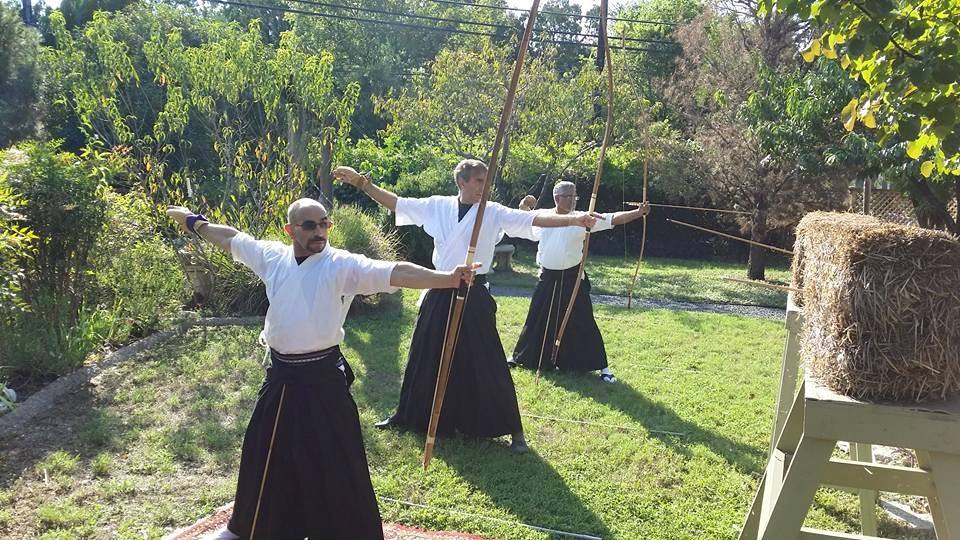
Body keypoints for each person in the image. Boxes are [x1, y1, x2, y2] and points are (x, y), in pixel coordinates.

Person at [167, 199, 478, 540]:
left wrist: (447, 279)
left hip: (323, 379)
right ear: (290, 230)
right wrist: (196, 223)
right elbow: (231, 238)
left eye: (324, 223)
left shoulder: (341, 265)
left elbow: (396, 271)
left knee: (337, 460)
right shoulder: (272, 257)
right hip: (282, 378)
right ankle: (246, 529)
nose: (319, 231)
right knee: (264, 452)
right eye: (310, 225)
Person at [332, 160, 599, 453]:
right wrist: (363, 184)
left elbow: (535, 220)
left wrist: (574, 219)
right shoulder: (438, 206)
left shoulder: (493, 211)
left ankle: (513, 429)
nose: (484, 187)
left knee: (487, 358)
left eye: (486, 181)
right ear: (462, 182)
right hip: (440, 287)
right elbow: (397, 203)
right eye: (478, 181)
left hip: (473, 291)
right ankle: (409, 416)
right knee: (425, 353)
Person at [509, 181, 649, 383]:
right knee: (536, 318)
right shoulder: (544, 216)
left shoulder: (584, 218)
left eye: (575, 196)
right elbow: (522, 220)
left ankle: (603, 368)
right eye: (568, 196)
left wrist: (638, 212)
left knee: (583, 321)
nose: (573, 200)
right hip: (547, 277)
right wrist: (523, 205)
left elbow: (612, 219)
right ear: (557, 198)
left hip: (573, 279)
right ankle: (521, 357)